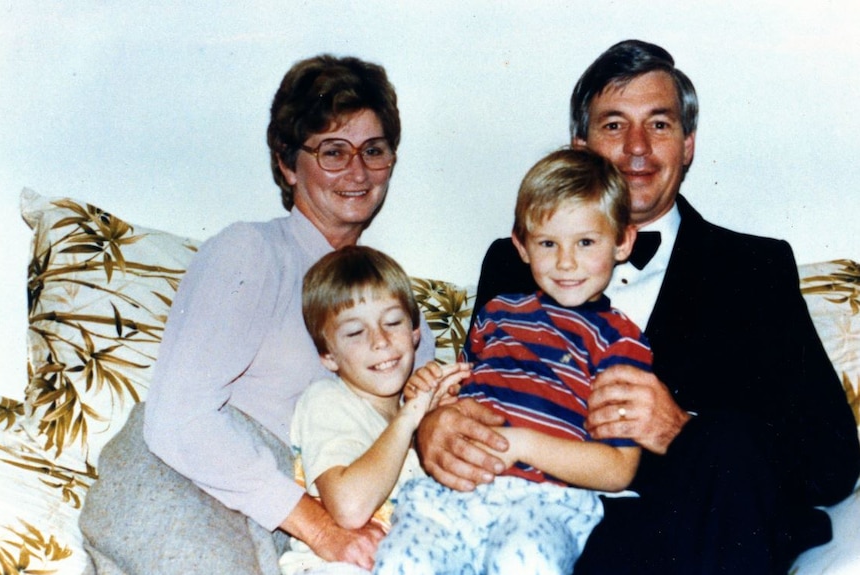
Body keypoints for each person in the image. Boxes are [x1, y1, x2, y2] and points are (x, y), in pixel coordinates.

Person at [417, 40, 860, 574]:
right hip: (544, 525)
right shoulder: (515, 261)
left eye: (659, 124)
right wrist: (434, 427)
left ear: (688, 144)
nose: (636, 149)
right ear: (580, 146)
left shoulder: (753, 268)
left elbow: (833, 461)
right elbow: (480, 392)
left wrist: (684, 430)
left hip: (703, 530)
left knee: (727, 441)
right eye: (613, 125)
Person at [79, 55, 436, 575]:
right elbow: (179, 419)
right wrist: (321, 528)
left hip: (287, 518)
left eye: (373, 150)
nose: (358, 172)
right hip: (185, 483)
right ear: (288, 164)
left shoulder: (391, 302)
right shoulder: (252, 252)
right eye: (333, 152)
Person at [374, 148, 651, 575]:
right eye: (547, 243)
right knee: (399, 561)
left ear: (622, 241)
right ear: (521, 245)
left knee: (523, 561)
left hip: (543, 504)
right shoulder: (496, 313)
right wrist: (432, 395)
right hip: (456, 494)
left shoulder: (622, 340)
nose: (565, 261)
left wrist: (519, 445)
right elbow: (457, 396)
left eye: (585, 242)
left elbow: (618, 469)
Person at [279, 245, 469, 575]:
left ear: (414, 334)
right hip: (338, 565)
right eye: (355, 332)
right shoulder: (326, 400)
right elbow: (350, 509)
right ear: (329, 357)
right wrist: (409, 417)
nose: (379, 341)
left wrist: (438, 418)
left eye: (392, 322)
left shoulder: (418, 418)